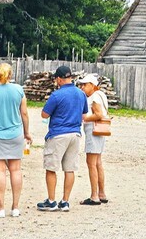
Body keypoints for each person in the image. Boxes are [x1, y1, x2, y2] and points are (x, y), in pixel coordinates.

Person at [0, 62, 31, 218]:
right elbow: (24, 113)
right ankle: (15, 207)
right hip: (15, 134)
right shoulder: (19, 90)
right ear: (11, 75)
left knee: (0, 170)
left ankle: (0, 208)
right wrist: (26, 132)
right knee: (16, 169)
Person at [37, 65, 88, 213]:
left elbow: (44, 115)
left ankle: (51, 201)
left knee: (51, 168)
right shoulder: (80, 94)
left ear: (59, 79)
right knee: (70, 168)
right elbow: (84, 115)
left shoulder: (56, 95)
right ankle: (65, 201)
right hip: (75, 134)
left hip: (58, 133)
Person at [78, 73, 110, 206]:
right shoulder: (101, 95)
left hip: (93, 132)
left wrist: (84, 118)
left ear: (92, 85)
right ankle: (101, 193)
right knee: (98, 163)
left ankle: (94, 195)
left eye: (85, 85)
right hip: (101, 131)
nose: (82, 87)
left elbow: (98, 114)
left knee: (91, 163)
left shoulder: (94, 97)